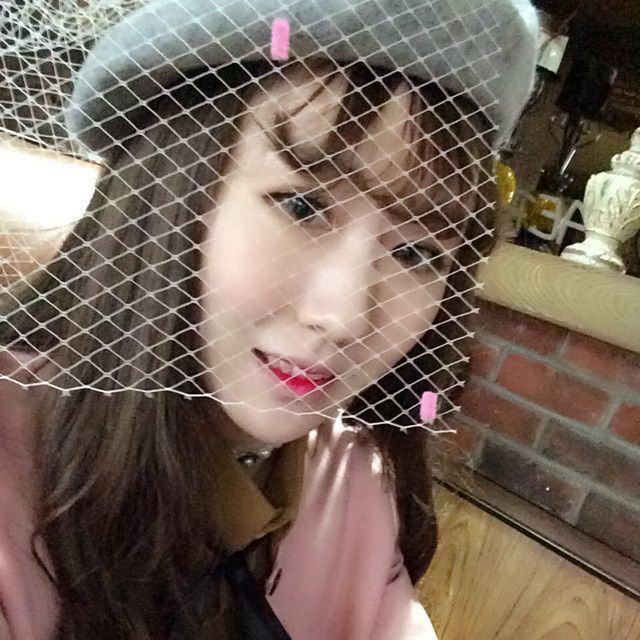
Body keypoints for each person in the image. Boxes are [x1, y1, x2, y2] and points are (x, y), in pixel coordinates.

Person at [0, 1, 538, 638]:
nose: (343, 316)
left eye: (417, 252)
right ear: (171, 189)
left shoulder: (354, 489)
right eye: (301, 205)